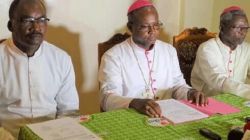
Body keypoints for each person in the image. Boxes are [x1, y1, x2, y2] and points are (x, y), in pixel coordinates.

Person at [99, 0, 208, 118]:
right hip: (130, 117)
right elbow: (107, 98)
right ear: (131, 27)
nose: (153, 31)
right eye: (145, 27)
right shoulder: (113, 56)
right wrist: (134, 103)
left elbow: (177, 86)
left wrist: (190, 92)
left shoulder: (169, 51)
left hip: (168, 116)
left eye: (156, 25)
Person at [0, 0, 79, 138]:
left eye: (41, 20)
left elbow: (69, 111)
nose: (36, 27)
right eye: (27, 20)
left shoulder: (61, 59)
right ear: (11, 25)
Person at [191, 6, 250, 98]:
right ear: (222, 27)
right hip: (207, 100)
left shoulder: (247, 48)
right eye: (238, 27)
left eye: (246, 28)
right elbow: (219, 80)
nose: (243, 32)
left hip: (237, 100)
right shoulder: (207, 49)